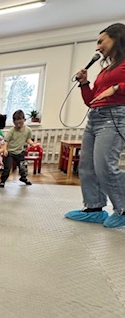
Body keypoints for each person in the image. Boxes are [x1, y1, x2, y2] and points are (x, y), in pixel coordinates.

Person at [65, 23, 125, 228]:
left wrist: (116, 88)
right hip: (95, 117)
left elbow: (116, 90)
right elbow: (92, 100)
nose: (97, 47)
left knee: (104, 166)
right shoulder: (106, 69)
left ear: (117, 38)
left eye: (101, 41)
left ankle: (123, 209)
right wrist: (84, 83)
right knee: (87, 166)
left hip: (114, 117)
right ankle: (94, 208)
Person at [0, 109, 37, 187]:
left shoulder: (28, 130)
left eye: (20, 123)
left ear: (24, 120)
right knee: (7, 168)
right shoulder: (12, 131)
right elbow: (6, 141)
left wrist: (32, 144)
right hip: (10, 152)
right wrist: (5, 150)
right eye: (16, 123)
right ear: (13, 122)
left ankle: (23, 178)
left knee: (23, 167)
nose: (18, 125)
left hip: (20, 152)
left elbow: (28, 139)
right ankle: (2, 181)